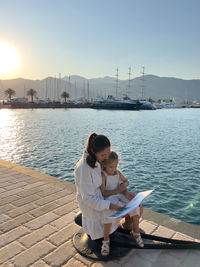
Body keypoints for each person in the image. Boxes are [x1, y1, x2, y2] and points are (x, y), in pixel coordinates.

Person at [74, 133, 143, 257]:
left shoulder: (98, 160)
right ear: (93, 151)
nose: (106, 158)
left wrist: (126, 193)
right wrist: (112, 205)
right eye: (103, 155)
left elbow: (115, 179)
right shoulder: (84, 168)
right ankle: (106, 239)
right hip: (93, 205)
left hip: (104, 198)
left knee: (136, 205)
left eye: (108, 153)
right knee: (109, 214)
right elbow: (89, 199)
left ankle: (129, 227)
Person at [100, 151, 144, 255]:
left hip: (119, 194)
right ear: (104, 165)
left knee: (134, 204)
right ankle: (106, 240)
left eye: (115, 166)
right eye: (111, 167)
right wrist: (119, 189)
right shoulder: (103, 175)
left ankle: (135, 231)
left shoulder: (118, 173)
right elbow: (103, 192)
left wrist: (126, 190)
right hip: (109, 197)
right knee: (108, 212)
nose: (114, 169)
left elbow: (126, 181)